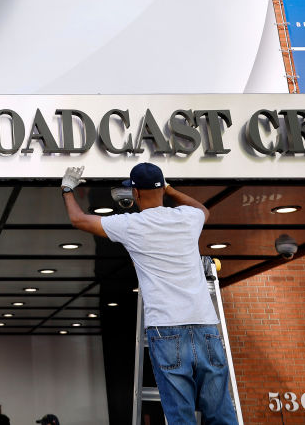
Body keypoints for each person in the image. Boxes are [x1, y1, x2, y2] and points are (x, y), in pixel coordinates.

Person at [60, 162, 237, 425]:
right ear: (161, 189)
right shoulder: (187, 218)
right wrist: (170, 189)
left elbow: (78, 219)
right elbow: (203, 210)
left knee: (180, 416)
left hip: (166, 329)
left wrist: (66, 189)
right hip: (204, 324)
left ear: (136, 193)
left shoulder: (131, 225)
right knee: (220, 413)